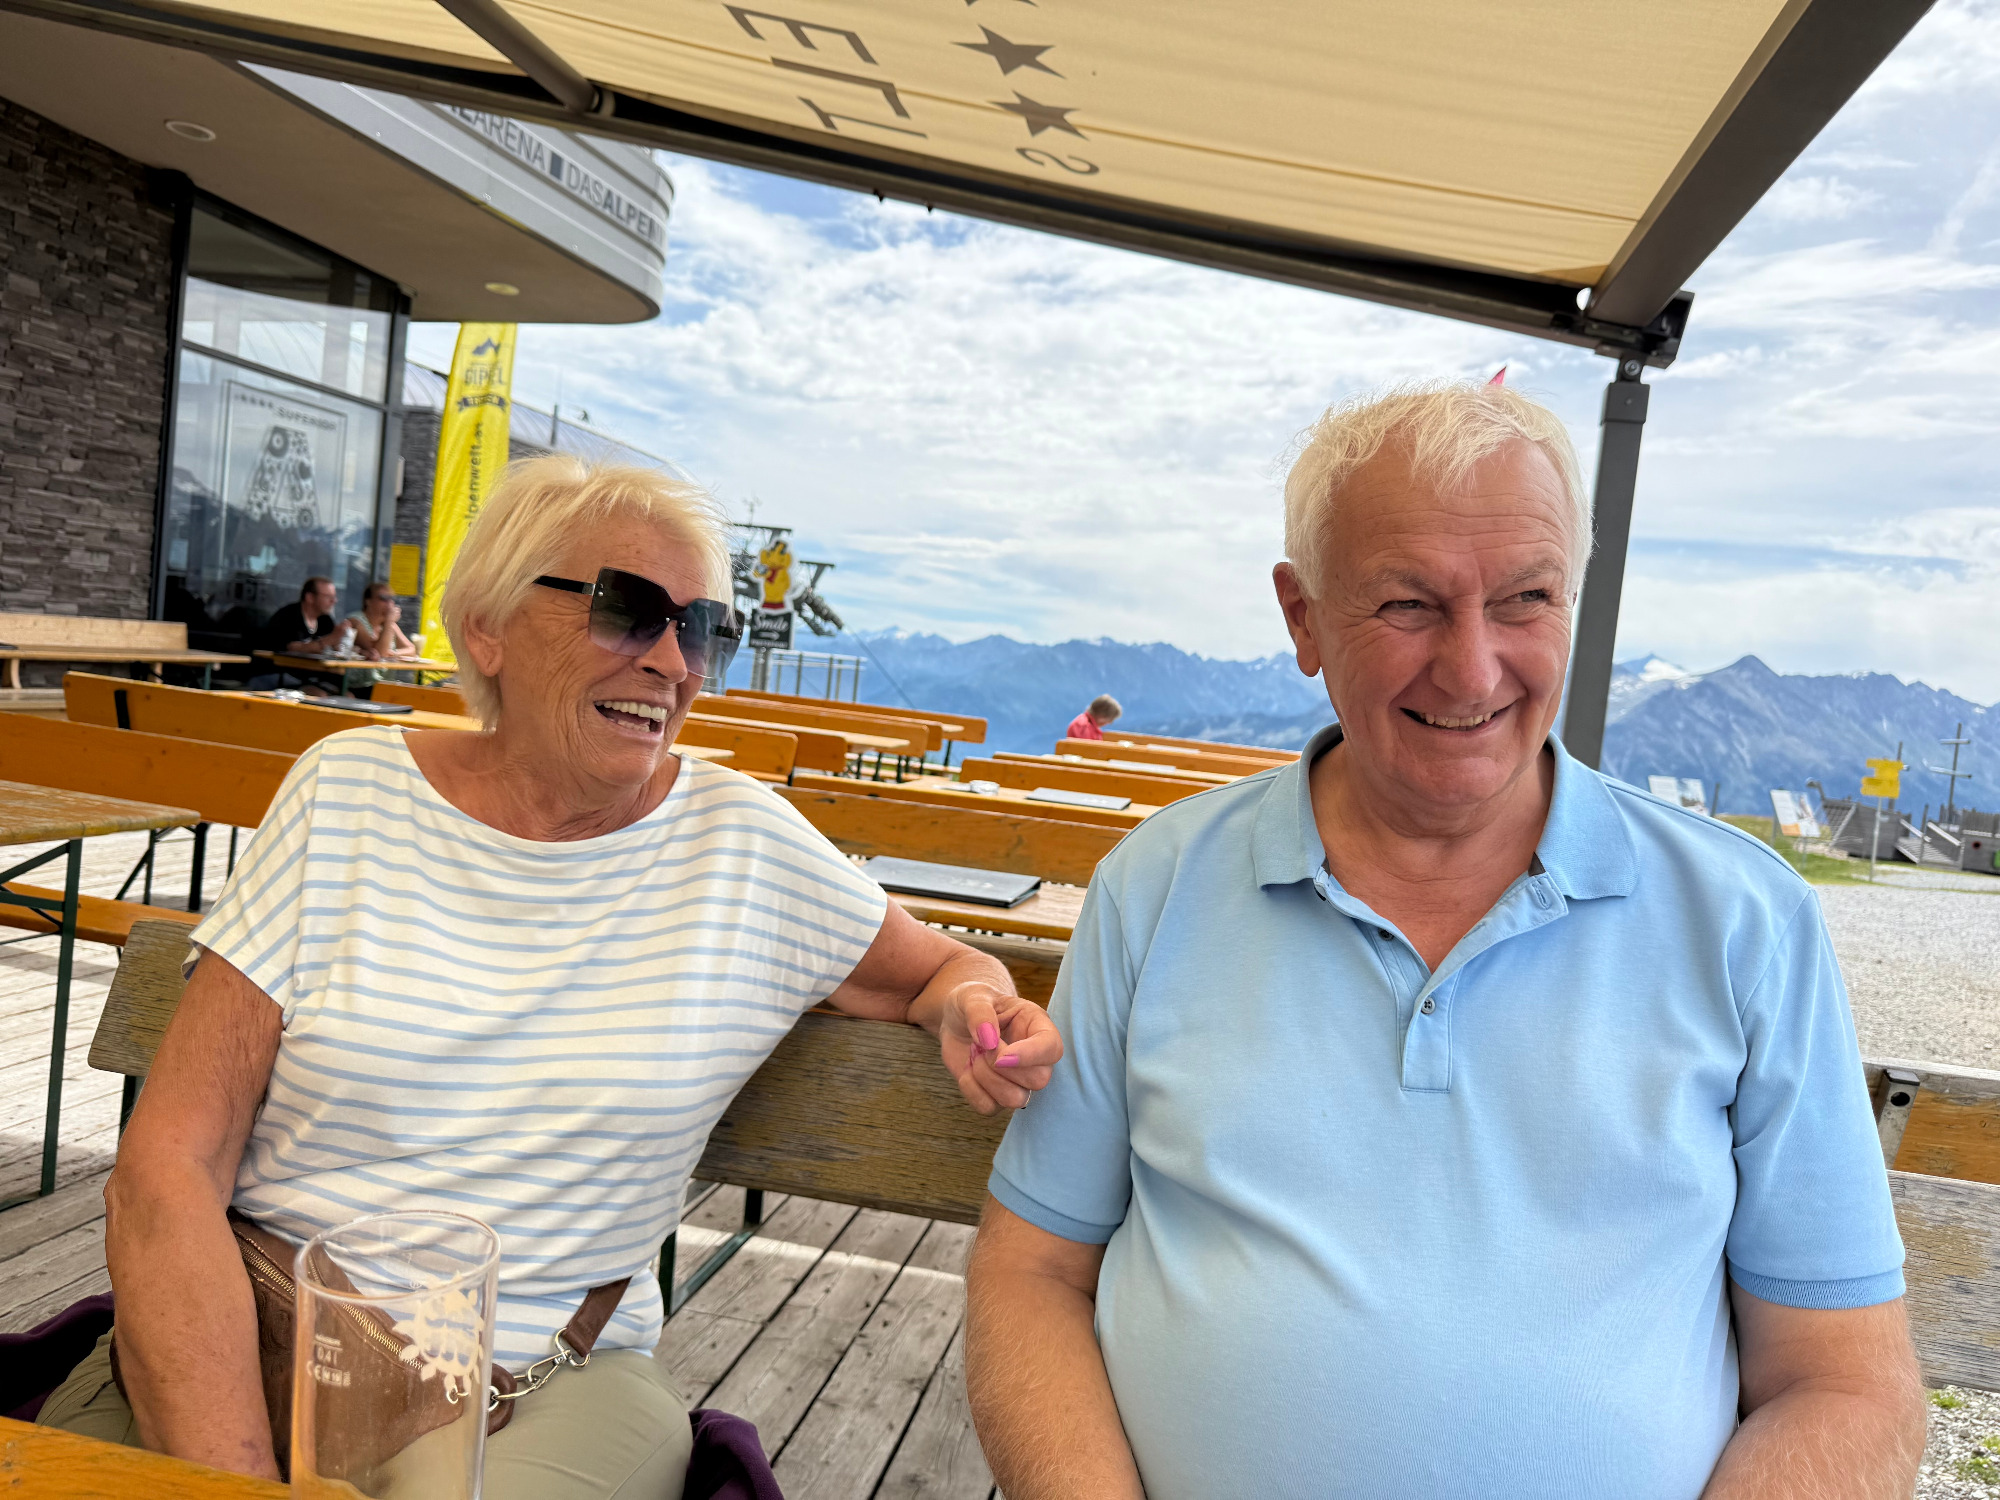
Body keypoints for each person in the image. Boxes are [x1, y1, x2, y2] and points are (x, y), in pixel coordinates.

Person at [964, 382, 1922, 1499]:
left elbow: (1844, 1385)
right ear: (1303, 619)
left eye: (1525, 598)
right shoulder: (1157, 886)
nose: (1472, 670)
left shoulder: (1745, 922)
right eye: (1408, 604)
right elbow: (1033, 1271)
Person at [41, 457, 1063, 1499]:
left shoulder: (742, 845)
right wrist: (231, 1478)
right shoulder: (348, 793)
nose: (671, 660)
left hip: (534, 1375)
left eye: (701, 629)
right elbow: (171, 1162)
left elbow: (935, 969)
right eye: (628, 610)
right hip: (261, 1316)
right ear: (487, 627)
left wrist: (970, 1003)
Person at [254, 576, 346, 695]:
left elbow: (334, 648)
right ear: (310, 597)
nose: (334, 601)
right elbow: (292, 649)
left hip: (310, 677)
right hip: (276, 673)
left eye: (334, 597)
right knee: (319, 696)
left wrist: (348, 644)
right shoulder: (288, 616)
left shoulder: (325, 620)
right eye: (328, 596)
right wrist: (330, 640)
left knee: (347, 696)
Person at [341, 580, 419, 692]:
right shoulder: (356, 621)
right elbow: (379, 653)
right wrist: (389, 622)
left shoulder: (389, 625)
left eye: (391, 598)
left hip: (384, 685)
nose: (389, 603)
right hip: (360, 686)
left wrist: (394, 653)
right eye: (383, 598)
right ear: (368, 601)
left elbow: (412, 650)